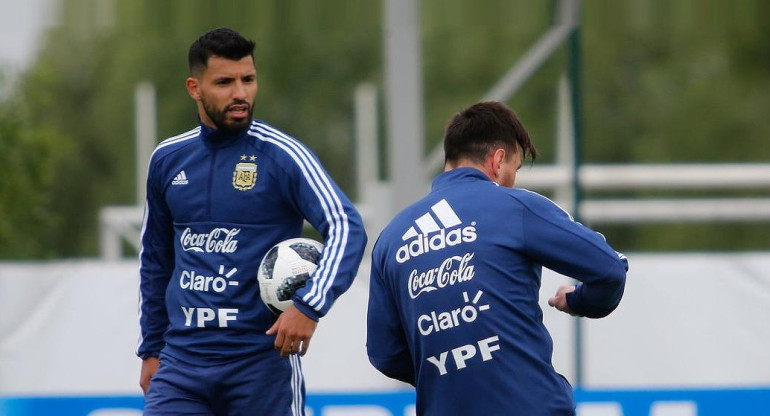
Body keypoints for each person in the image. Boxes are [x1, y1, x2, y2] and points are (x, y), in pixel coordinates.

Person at [137, 27, 367, 416]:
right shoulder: (167, 159)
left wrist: (309, 306)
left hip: (260, 364)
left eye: (248, 79)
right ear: (195, 88)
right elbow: (156, 261)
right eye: (225, 82)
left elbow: (346, 226)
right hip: (181, 366)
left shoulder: (283, 155)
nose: (240, 93)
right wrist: (151, 349)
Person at [366, 101, 628, 416]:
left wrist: (452, 365)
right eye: (514, 171)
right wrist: (579, 301)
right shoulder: (514, 207)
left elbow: (384, 353)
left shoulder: (391, 238)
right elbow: (610, 270)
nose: (513, 181)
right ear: (498, 160)